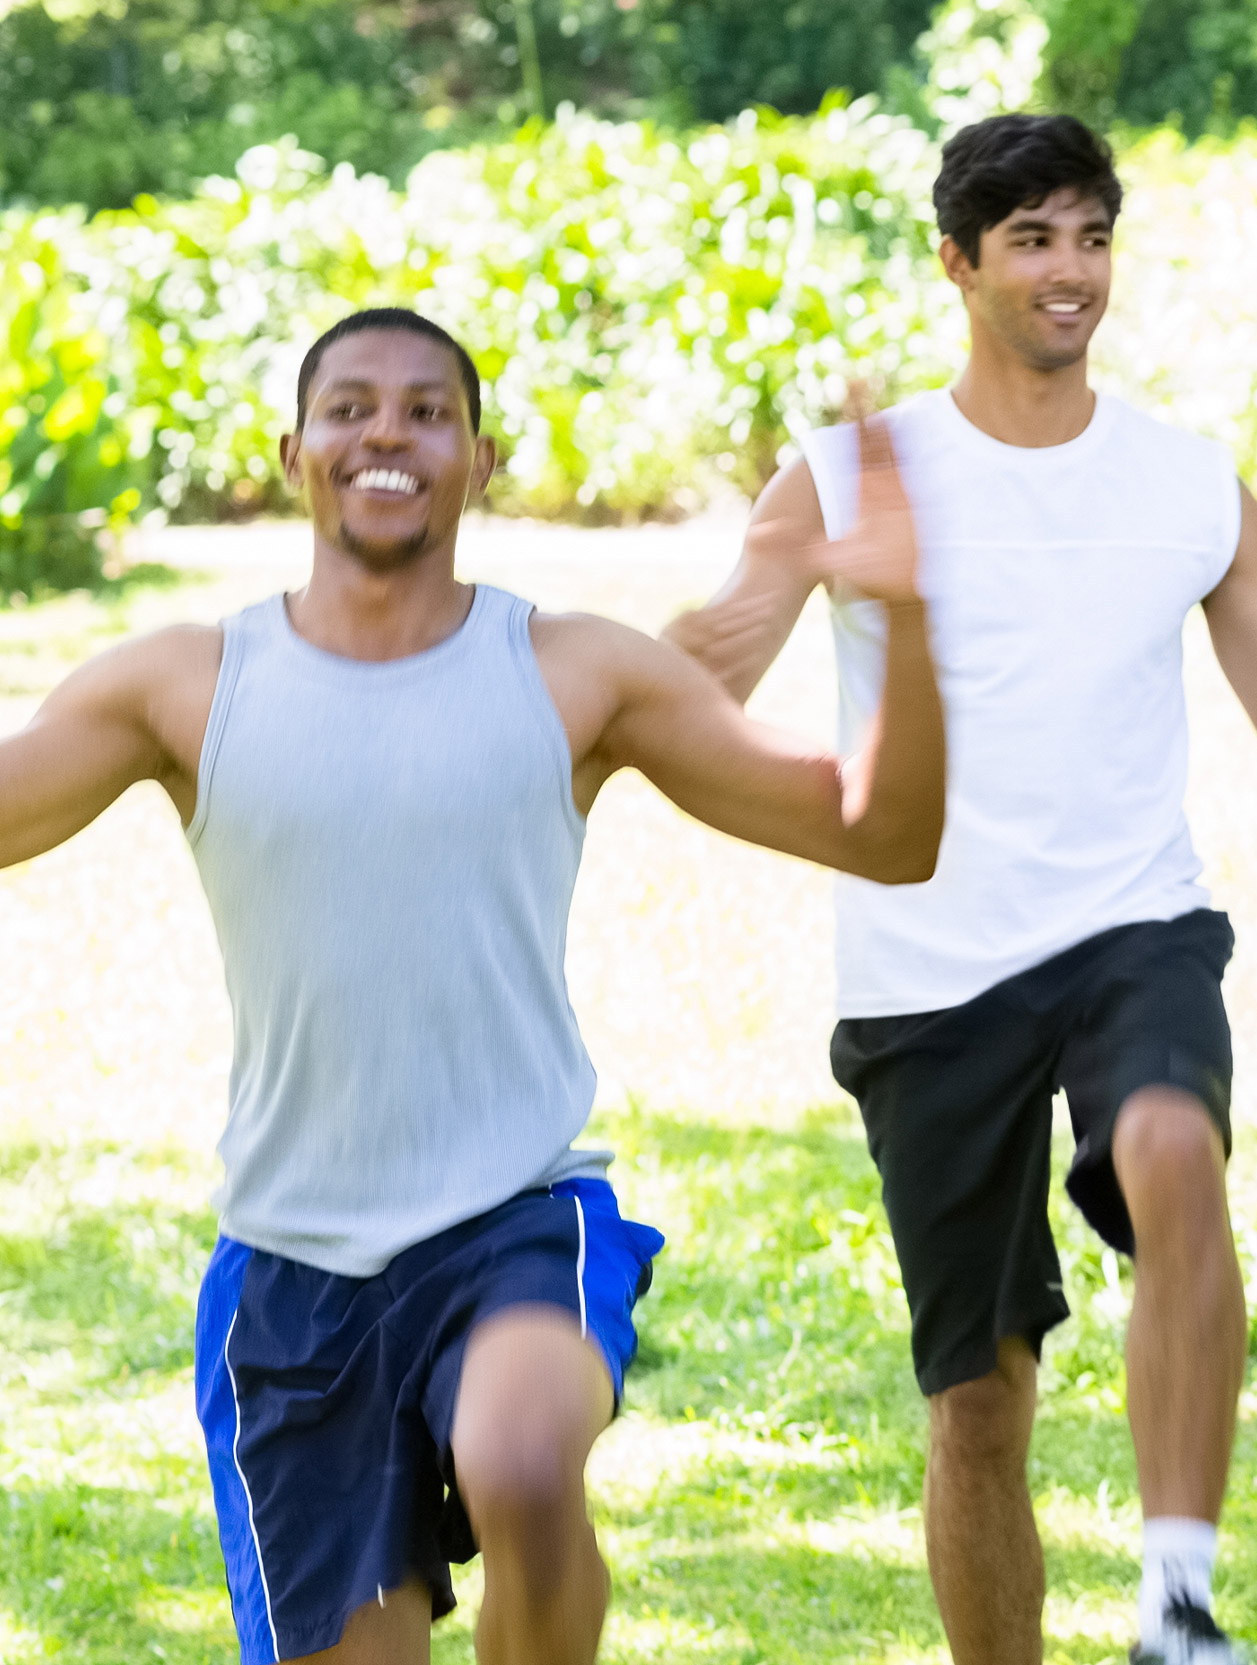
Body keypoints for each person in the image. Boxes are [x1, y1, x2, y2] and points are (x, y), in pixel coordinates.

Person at [657, 114, 1257, 1665]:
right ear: (958, 260)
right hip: (926, 974)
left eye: (1092, 236)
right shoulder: (848, 475)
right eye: (1032, 238)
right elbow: (690, 681)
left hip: (1133, 928)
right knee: (979, 1405)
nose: (1070, 271)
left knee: (1173, 1146)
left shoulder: (1186, 485)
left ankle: (1177, 1603)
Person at [0, 309, 947, 1664]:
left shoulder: (572, 672)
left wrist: (904, 606)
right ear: (291, 454)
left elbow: (883, 831)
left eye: (427, 410)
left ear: (482, 460)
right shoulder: (185, 686)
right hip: (291, 1272)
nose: (386, 431)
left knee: (517, 1458)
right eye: (350, 408)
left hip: (512, 1217)